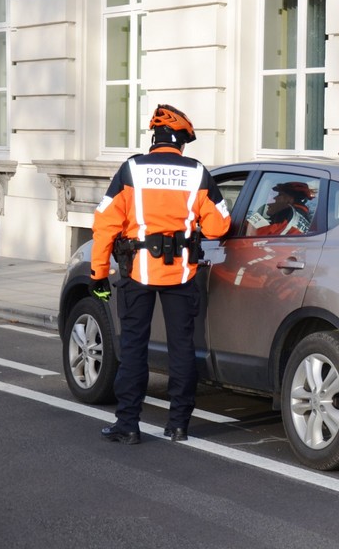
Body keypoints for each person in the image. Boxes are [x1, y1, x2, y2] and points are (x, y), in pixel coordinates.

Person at [90, 104, 232, 444]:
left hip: (137, 271)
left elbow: (105, 224)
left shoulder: (131, 170)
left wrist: (98, 273)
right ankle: (179, 424)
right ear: (180, 141)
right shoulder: (197, 173)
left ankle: (128, 424)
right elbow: (219, 226)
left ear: (155, 137)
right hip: (181, 273)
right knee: (181, 348)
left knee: (134, 347)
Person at [246, 182, 313, 236]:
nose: (274, 198)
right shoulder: (305, 218)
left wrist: (249, 224)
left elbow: (255, 236)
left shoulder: (286, 213)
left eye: (279, 195)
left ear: (290, 199)